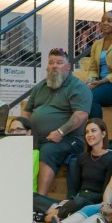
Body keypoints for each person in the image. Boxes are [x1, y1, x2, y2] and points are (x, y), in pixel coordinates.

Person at [32, 118, 112, 223]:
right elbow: (74, 187)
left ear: (103, 133)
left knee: (79, 201)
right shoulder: (82, 158)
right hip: (74, 202)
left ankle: (48, 216)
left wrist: (74, 202)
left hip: (91, 202)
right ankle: (55, 213)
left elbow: (107, 191)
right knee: (31, 196)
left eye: (93, 131)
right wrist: (68, 201)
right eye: (87, 132)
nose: (89, 135)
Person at [23, 48, 90, 194]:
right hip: (37, 137)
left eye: (59, 63)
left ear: (68, 67)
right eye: (51, 62)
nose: (54, 66)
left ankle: (40, 199)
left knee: (48, 151)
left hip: (68, 138)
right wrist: (23, 129)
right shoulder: (40, 86)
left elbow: (81, 115)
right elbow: (27, 112)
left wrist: (60, 131)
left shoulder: (78, 87)